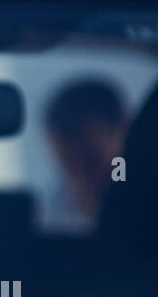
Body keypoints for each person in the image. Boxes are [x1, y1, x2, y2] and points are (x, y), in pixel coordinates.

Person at [43, 78, 127, 231]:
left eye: (92, 162)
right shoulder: (50, 214)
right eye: (69, 165)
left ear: (125, 133)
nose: (81, 179)